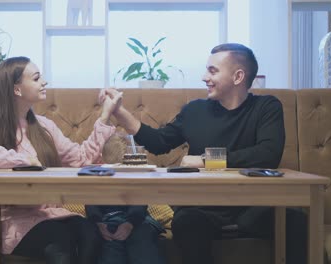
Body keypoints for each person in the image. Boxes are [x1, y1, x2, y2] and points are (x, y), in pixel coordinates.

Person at [103, 43, 307, 264]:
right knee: (186, 224)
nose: (204, 77)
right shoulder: (195, 110)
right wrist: (119, 112)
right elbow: (159, 142)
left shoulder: (267, 107)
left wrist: (205, 160)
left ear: (238, 76)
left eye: (213, 71)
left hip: (253, 206)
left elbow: (268, 154)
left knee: (297, 223)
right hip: (202, 207)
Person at [0, 56, 122, 264]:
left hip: (49, 214)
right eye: (36, 78)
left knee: (90, 234)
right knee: (59, 242)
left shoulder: (44, 126)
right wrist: (28, 160)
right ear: (16, 89)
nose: (44, 82)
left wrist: (105, 115)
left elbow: (81, 159)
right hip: (7, 219)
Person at [85, 134, 166, 264]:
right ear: (102, 161)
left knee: (142, 241)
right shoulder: (95, 176)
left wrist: (130, 223)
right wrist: (98, 223)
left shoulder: (137, 173)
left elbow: (140, 202)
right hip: (107, 222)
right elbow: (90, 203)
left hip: (138, 219)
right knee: (111, 247)